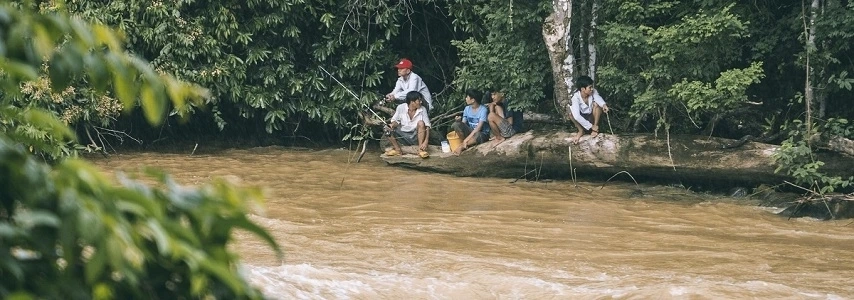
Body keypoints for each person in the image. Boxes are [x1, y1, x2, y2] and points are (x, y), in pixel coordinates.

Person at [384, 91, 431, 158]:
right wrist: (391, 125)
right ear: (412, 102)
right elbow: (395, 121)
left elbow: (427, 126)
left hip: (416, 136)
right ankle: (397, 150)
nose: (421, 102)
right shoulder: (401, 108)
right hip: (403, 135)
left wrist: (426, 141)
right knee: (386, 128)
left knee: (421, 123)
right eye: (419, 100)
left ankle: (420, 150)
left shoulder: (422, 109)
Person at [568, 75, 609, 144]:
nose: (592, 89)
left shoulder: (593, 92)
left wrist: (604, 105)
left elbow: (598, 98)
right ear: (583, 89)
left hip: (592, 116)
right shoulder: (575, 98)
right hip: (582, 119)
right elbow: (577, 116)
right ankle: (581, 131)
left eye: (592, 87)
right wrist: (590, 126)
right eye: (590, 87)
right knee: (571, 114)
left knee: (597, 105)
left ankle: (595, 129)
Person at [451, 89, 489, 155]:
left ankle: (462, 146)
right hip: (471, 132)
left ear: (473, 100)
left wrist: (466, 140)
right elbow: (463, 124)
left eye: (467, 97)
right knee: (456, 124)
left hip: (481, 134)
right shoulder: (467, 109)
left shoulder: (483, 110)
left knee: (478, 134)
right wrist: (459, 121)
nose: (466, 98)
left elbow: (478, 128)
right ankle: (465, 144)